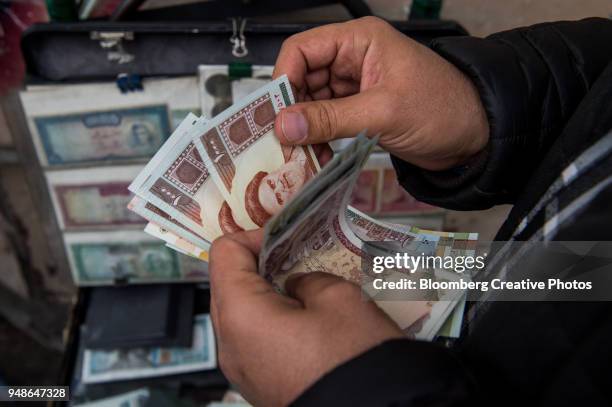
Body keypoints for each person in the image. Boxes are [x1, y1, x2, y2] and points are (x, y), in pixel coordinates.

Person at [207, 17, 612, 406]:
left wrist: (349, 391)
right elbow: (591, 272)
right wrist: (483, 109)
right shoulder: (585, 272)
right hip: (560, 275)